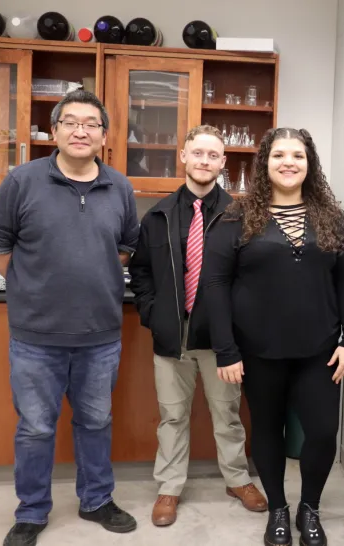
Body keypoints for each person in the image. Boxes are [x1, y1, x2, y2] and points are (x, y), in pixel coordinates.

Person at [0, 90, 139, 546]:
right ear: (55, 132)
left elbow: (127, 247)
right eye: (70, 122)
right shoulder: (22, 180)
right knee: (35, 428)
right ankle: (31, 511)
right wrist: (32, 283)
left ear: (104, 136)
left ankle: (96, 500)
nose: (80, 130)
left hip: (100, 335)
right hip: (36, 337)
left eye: (90, 123)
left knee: (95, 423)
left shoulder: (120, 187)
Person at [203, 128, 344, 546]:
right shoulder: (235, 218)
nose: (288, 162)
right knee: (269, 431)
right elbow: (215, 285)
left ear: (310, 164)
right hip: (258, 352)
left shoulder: (331, 217)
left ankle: (309, 507)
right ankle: (278, 508)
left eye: (298, 155)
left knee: (323, 431)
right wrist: (226, 351)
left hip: (321, 352)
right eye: (279, 155)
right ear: (265, 163)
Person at [128, 125, 267, 527]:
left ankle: (237, 480)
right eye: (198, 153)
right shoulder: (157, 215)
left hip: (221, 339)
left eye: (213, 155)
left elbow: (251, 278)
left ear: (223, 163)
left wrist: (235, 330)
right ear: (184, 158)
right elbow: (140, 273)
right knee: (172, 416)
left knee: (227, 414)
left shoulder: (240, 216)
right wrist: (152, 311)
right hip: (171, 337)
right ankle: (169, 486)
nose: (205, 161)